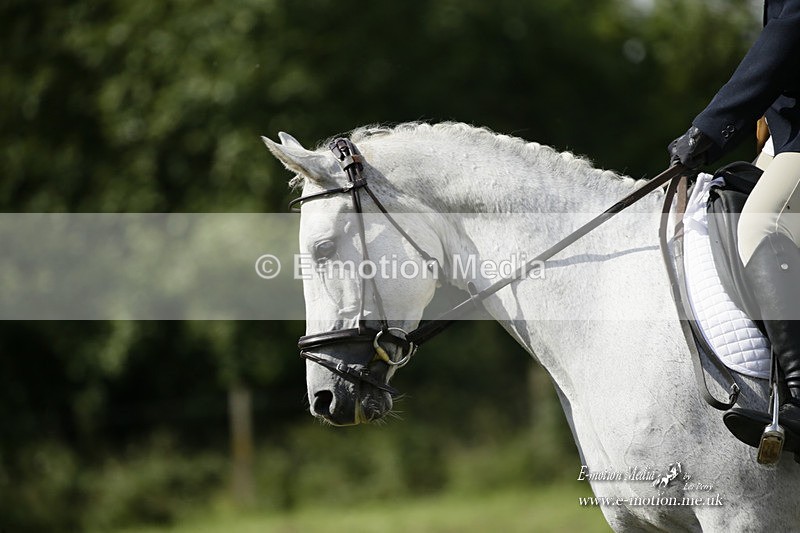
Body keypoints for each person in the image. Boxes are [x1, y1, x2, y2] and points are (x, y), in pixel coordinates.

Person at [668, 0, 800, 433]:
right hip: (784, 134)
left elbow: (787, 35)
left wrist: (709, 127)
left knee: (763, 222)